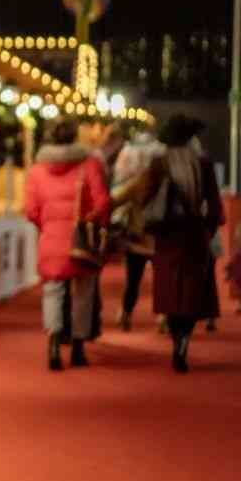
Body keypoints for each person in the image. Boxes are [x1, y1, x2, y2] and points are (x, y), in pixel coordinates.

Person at [25, 118, 110, 370]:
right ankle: (78, 347)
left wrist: (47, 226)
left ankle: (53, 343)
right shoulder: (89, 164)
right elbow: (103, 202)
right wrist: (93, 222)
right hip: (80, 239)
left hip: (51, 239)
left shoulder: (37, 170)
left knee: (53, 292)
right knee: (83, 293)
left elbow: (30, 210)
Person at [139, 115, 222, 372]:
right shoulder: (202, 163)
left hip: (167, 236)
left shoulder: (158, 163)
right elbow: (215, 204)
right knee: (192, 292)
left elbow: (145, 198)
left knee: (170, 292)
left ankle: (176, 340)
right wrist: (207, 230)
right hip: (194, 234)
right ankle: (184, 339)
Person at [110, 130, 165, 330]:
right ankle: (163, 317)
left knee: (133, 280)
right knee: (162, 280)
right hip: (160, 238)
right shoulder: (167, 182)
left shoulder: (138, 181)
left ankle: (125, 313)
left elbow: (117, 199)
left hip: (137, 237)